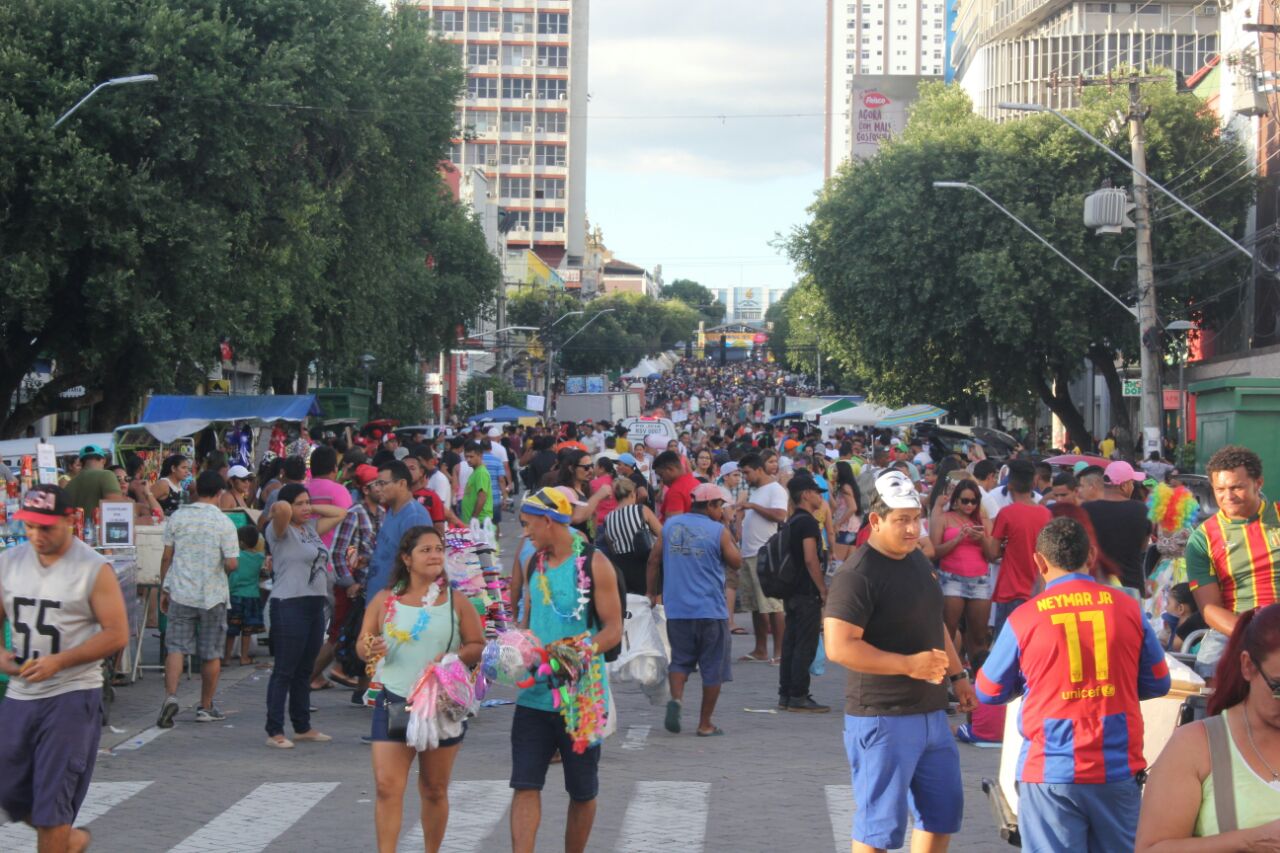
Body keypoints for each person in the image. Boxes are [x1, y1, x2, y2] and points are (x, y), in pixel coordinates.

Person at [977, 517, 1171, 851]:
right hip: (1117, 768)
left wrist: (1027, 684)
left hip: (1051, 770)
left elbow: (988, 690)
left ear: (1039, 561)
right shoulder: (1128, 608)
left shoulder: (1025, 617)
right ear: (1091, 555)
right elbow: (1158, 682)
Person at [823, 470, 975, 853]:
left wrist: (958, 676)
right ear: (876, 520)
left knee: (942, 814)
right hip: (882, 716)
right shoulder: (858, 574)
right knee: (879, 827)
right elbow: (839, 647)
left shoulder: (917, 561)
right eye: (902, 520)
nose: (912, 529)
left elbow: (933, 622)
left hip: (932, 714)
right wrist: (909, 665)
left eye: (916, 518)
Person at [0, 485, 129, 853]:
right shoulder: (9, 562)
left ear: (70, 521)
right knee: (8, 791)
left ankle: (61, 837)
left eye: (46, 527)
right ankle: (70, 841)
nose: (37, 536)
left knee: (52, 810)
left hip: (71, 696)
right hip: (20, 695)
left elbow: (117, 633)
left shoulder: (92, 568)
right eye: (30, 527)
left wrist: (60, 660)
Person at [358, 526, 484, 853]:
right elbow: (363, 643)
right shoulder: (385, 601)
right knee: (387, 787)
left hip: (440, 707)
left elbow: (477, 644)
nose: (435, 555)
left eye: (439, 549)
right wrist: (369, 648)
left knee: (434, 789)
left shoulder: (456, 602)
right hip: (395, 701)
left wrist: (454, 656)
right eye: (426, 550)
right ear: (406, 558)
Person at [510, 488, 623, 853]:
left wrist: (579, 650)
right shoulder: (533, 563)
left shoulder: (595, 563)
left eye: (528, 525)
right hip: (534, 697)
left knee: (582, 791)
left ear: (548, 520)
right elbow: (527, 622)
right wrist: (513, 647)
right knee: (525, 785)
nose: (525, 534)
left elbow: (613, 629)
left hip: (581, 699)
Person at [1134, 603, 1280, 849]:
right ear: (1248, 666)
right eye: (1278, 687)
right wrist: (1249, 841)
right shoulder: (1197, 745)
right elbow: (1151, 848)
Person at [649, 482, 740, 736]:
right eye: (720, 506)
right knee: (713, 668)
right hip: (711, 610)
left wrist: (651, 593)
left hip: (677, 609)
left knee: (680, 661)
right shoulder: (717, 530)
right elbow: (737, 561)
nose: (721, 510)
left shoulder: (670, 526)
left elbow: (653, 560)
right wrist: (730, 529)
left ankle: (676, 700)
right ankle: (705, 724)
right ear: (710, 505)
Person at [263, 483, 345, 748]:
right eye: (300, 503)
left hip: (314, 604)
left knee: (304, 670)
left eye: (308, 502)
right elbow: (282, 509)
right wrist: (290, 504)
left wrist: (309, 506)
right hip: (289, 604)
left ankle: (302, 726)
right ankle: (274, 729)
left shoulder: (309, 530)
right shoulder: (280, 531)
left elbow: (339, 513)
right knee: (284, 670)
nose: (306, 508)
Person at [156, 471, 241, 727]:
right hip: (212, 595)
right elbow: (232, 562)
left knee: (176, 647)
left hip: (180, 591)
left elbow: (166, 557)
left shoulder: (177, 517)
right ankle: (205, 706)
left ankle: (171, 697)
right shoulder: (225, 523)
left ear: (196, 490)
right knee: (211, 652)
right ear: (219, 493)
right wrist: (222, 571)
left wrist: (164, 588)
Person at [1187, 445, 1280, 678]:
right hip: (1235, 628)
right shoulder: (1202, 538)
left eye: (1237, 487)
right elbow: (1210, 610)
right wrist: (1254, 634)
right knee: (1207, 671)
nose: (1227, 496)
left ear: (1258, 483)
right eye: (1220, 489)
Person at [778, 475, 830, 713]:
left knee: (790, 642)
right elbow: (810, 559)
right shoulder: (807, 522)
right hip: (806, 591)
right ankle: (798, 695)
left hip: (791, 591)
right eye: (817, 492)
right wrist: (822, 589)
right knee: (804, 644)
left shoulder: (791, 521)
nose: (820, 497)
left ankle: (786, 694)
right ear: (806, 494)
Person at [930, 478, 994, 662]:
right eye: (965, 500)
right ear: (956, 500)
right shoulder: (944, 518)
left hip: (980, 580)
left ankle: (978, 678)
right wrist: (956, 540)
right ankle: (947, 676)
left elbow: (992, 556)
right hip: (951, 579)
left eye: (974, 501)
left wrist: (982, 539)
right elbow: (934, 552)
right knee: (948, 631)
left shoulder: (984, 522)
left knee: (979, 635)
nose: (969, 505)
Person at [986, 462, 1053, 639]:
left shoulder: (1007, 514)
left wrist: (1004, 547)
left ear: (1009, 484)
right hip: (1038, 590)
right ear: (1034, 483)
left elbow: (992, 553)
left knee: (1004, 647)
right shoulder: (1046, 514)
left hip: (1010, 591)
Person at [736, 452, 788, 664]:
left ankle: (779, 651)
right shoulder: (757, 491)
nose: (745, 477)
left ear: (758, 469)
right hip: (749, 553)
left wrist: (752, 506)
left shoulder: (775, 489)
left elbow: (779, 515)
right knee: (756, 606)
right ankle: (760, 649)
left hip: (764, 554)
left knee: (773, 605)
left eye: (747, 472)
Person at [366, 461, 432, 598]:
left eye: (383, 483)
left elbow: (418, 566)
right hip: (378, 598)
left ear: (401, 484)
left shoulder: (414, 516)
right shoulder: (391, 510)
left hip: (395, 605)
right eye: (376, 484)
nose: (378, 489)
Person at [601, 477, 661, 598]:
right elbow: (662, 533)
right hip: (644, 563)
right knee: (655, 602)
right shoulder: (641, 510)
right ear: (633, 493)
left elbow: (612, 546)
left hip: (622, 567)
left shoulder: (608, 518)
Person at [224, 525, 266, 666]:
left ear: (240, 542)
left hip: (235, 597)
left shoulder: (236, 556)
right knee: (247, 630)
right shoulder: (260, 558)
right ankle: (244, 657)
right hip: (252, 597)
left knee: (232, 630)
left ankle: (226, 658)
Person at [62, 444, 123, 517]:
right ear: (103, 460)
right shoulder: (107, 475)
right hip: (99, 527)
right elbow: (116, 509)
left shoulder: (70, 484)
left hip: (77, 527)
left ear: (81, 463)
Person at [831, 460, 863, 564]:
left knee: (837, 562)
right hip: (853, 528)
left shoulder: (845, 487)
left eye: (835, 471)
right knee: (848, 563)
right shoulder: (849, 486)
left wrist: (838, 524)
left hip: (845, 528)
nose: (833, 473)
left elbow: (852, 507)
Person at [653, 449, 699, 522]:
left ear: (670, 469)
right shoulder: (696, 482)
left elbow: (673, 528)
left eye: (661, 475)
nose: (663, 481)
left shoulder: (675, 492)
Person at [460, 441, 493, 527]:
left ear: (480, 455)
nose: (468, 460)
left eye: (471, 456)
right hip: (474, 521)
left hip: (479, 522)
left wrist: (474, 519)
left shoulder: (481, 473)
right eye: (466, 457)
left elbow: (482, 497)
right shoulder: (476, 472)